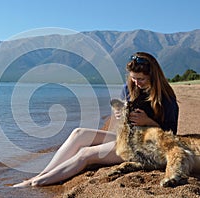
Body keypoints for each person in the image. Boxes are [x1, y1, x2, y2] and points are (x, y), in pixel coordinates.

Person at [13, 52, 179, 187]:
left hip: (148, 146)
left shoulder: (166, 98)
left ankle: (36, 183)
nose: (136, 82)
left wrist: (149, 122)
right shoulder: (129, 88)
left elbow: (172, 136)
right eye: (133, 78)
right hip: (127, 138)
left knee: (85, 154)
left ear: (153, 76)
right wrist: (119, 115)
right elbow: (121, 122)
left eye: (141, 79)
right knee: (78, 133)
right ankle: (42, 174)